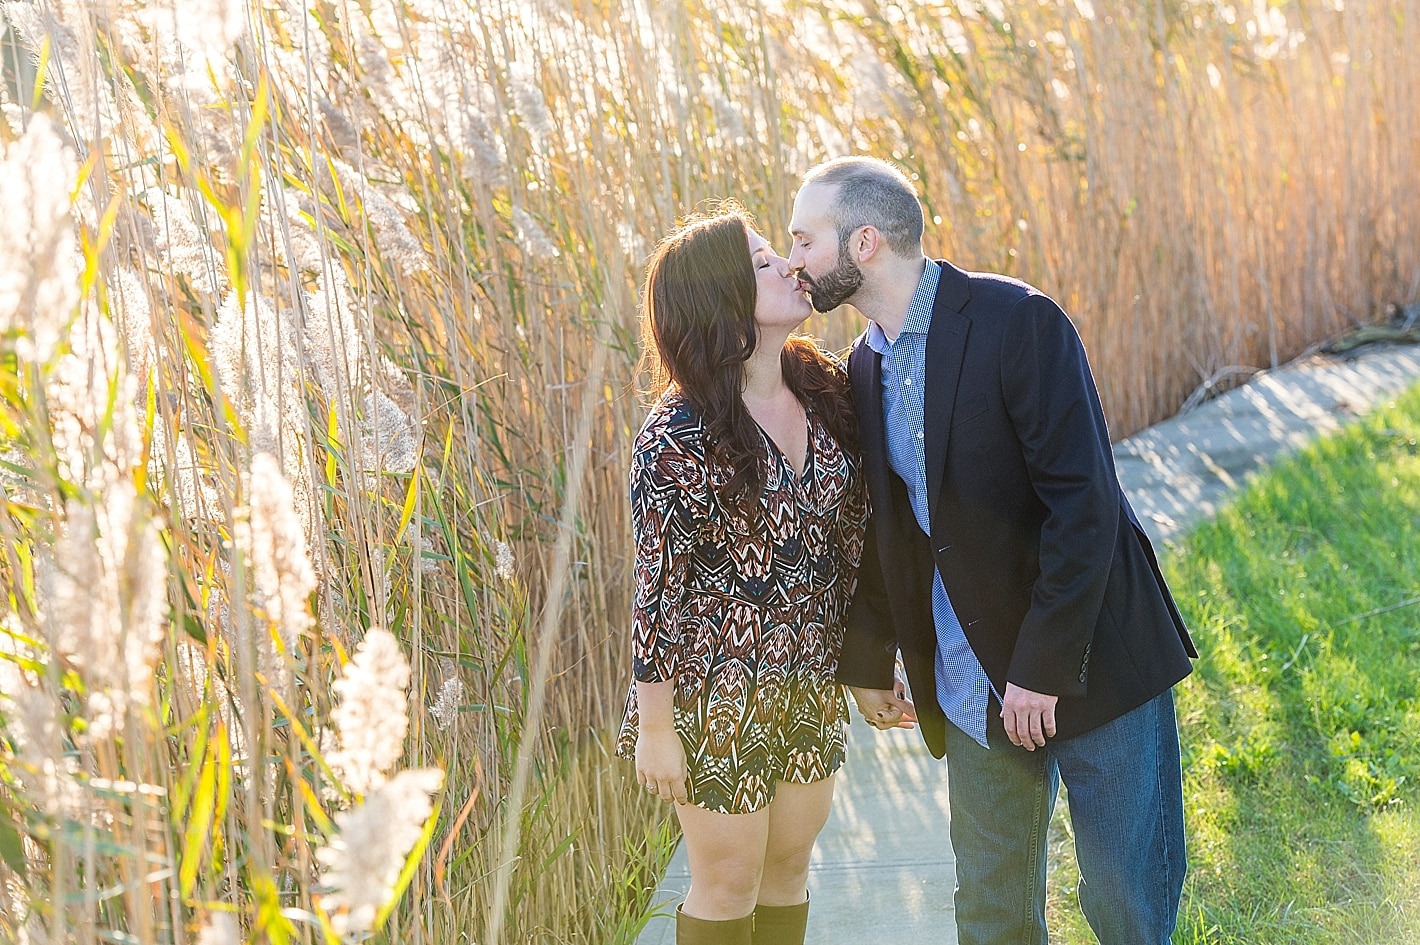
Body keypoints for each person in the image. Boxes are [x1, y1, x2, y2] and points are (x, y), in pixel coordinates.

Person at [786, 157, 1198, 944]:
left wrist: (1040, 666)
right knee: (990, 912)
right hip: (972, 677)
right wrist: (872, 658)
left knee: (1124, 905)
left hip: (1093, 655)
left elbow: (1084, 508)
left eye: (804, 238)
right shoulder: (865, 365)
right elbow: (896, 526)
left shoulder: (1019, 321)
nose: (793, 257)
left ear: (864, 242)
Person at [616, 204, 867, 945]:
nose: (788, 265)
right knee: (727, 882)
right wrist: (655, 729)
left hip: (807, 681)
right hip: (712, 695)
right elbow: (655, 592)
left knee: (787, 870)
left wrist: (877, 658)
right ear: (721, 299)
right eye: (762, 262)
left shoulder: (824, 392)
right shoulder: (675, 435)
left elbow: (854, 545)